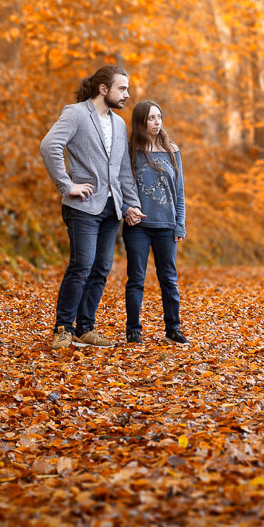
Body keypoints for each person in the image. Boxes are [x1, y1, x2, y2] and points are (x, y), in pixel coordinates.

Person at [40, 65, 145, 350]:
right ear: (103, 89)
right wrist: (67, 185)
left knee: (101, 269)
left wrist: (130, 204)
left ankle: (85, 328)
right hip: (83, 207)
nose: (127, 94)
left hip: (111, 209)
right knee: (82, 266)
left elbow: (123, 170)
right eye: (122, 88)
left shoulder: (119, 124)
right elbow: (50, 146)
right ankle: (63, 328)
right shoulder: (76, 113)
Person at [123, 100, 188, 345]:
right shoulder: (130, 151)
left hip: (166, 226)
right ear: (140, 122)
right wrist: (125, 210)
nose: (157, 122)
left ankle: (173, 328)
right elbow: (120, 186)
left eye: (159, 117)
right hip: (137, 226)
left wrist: (180, 223)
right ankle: (133, 330)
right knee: (136, 280)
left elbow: (179, 191)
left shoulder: (172, 150)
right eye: (151, 118)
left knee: (169, 280)